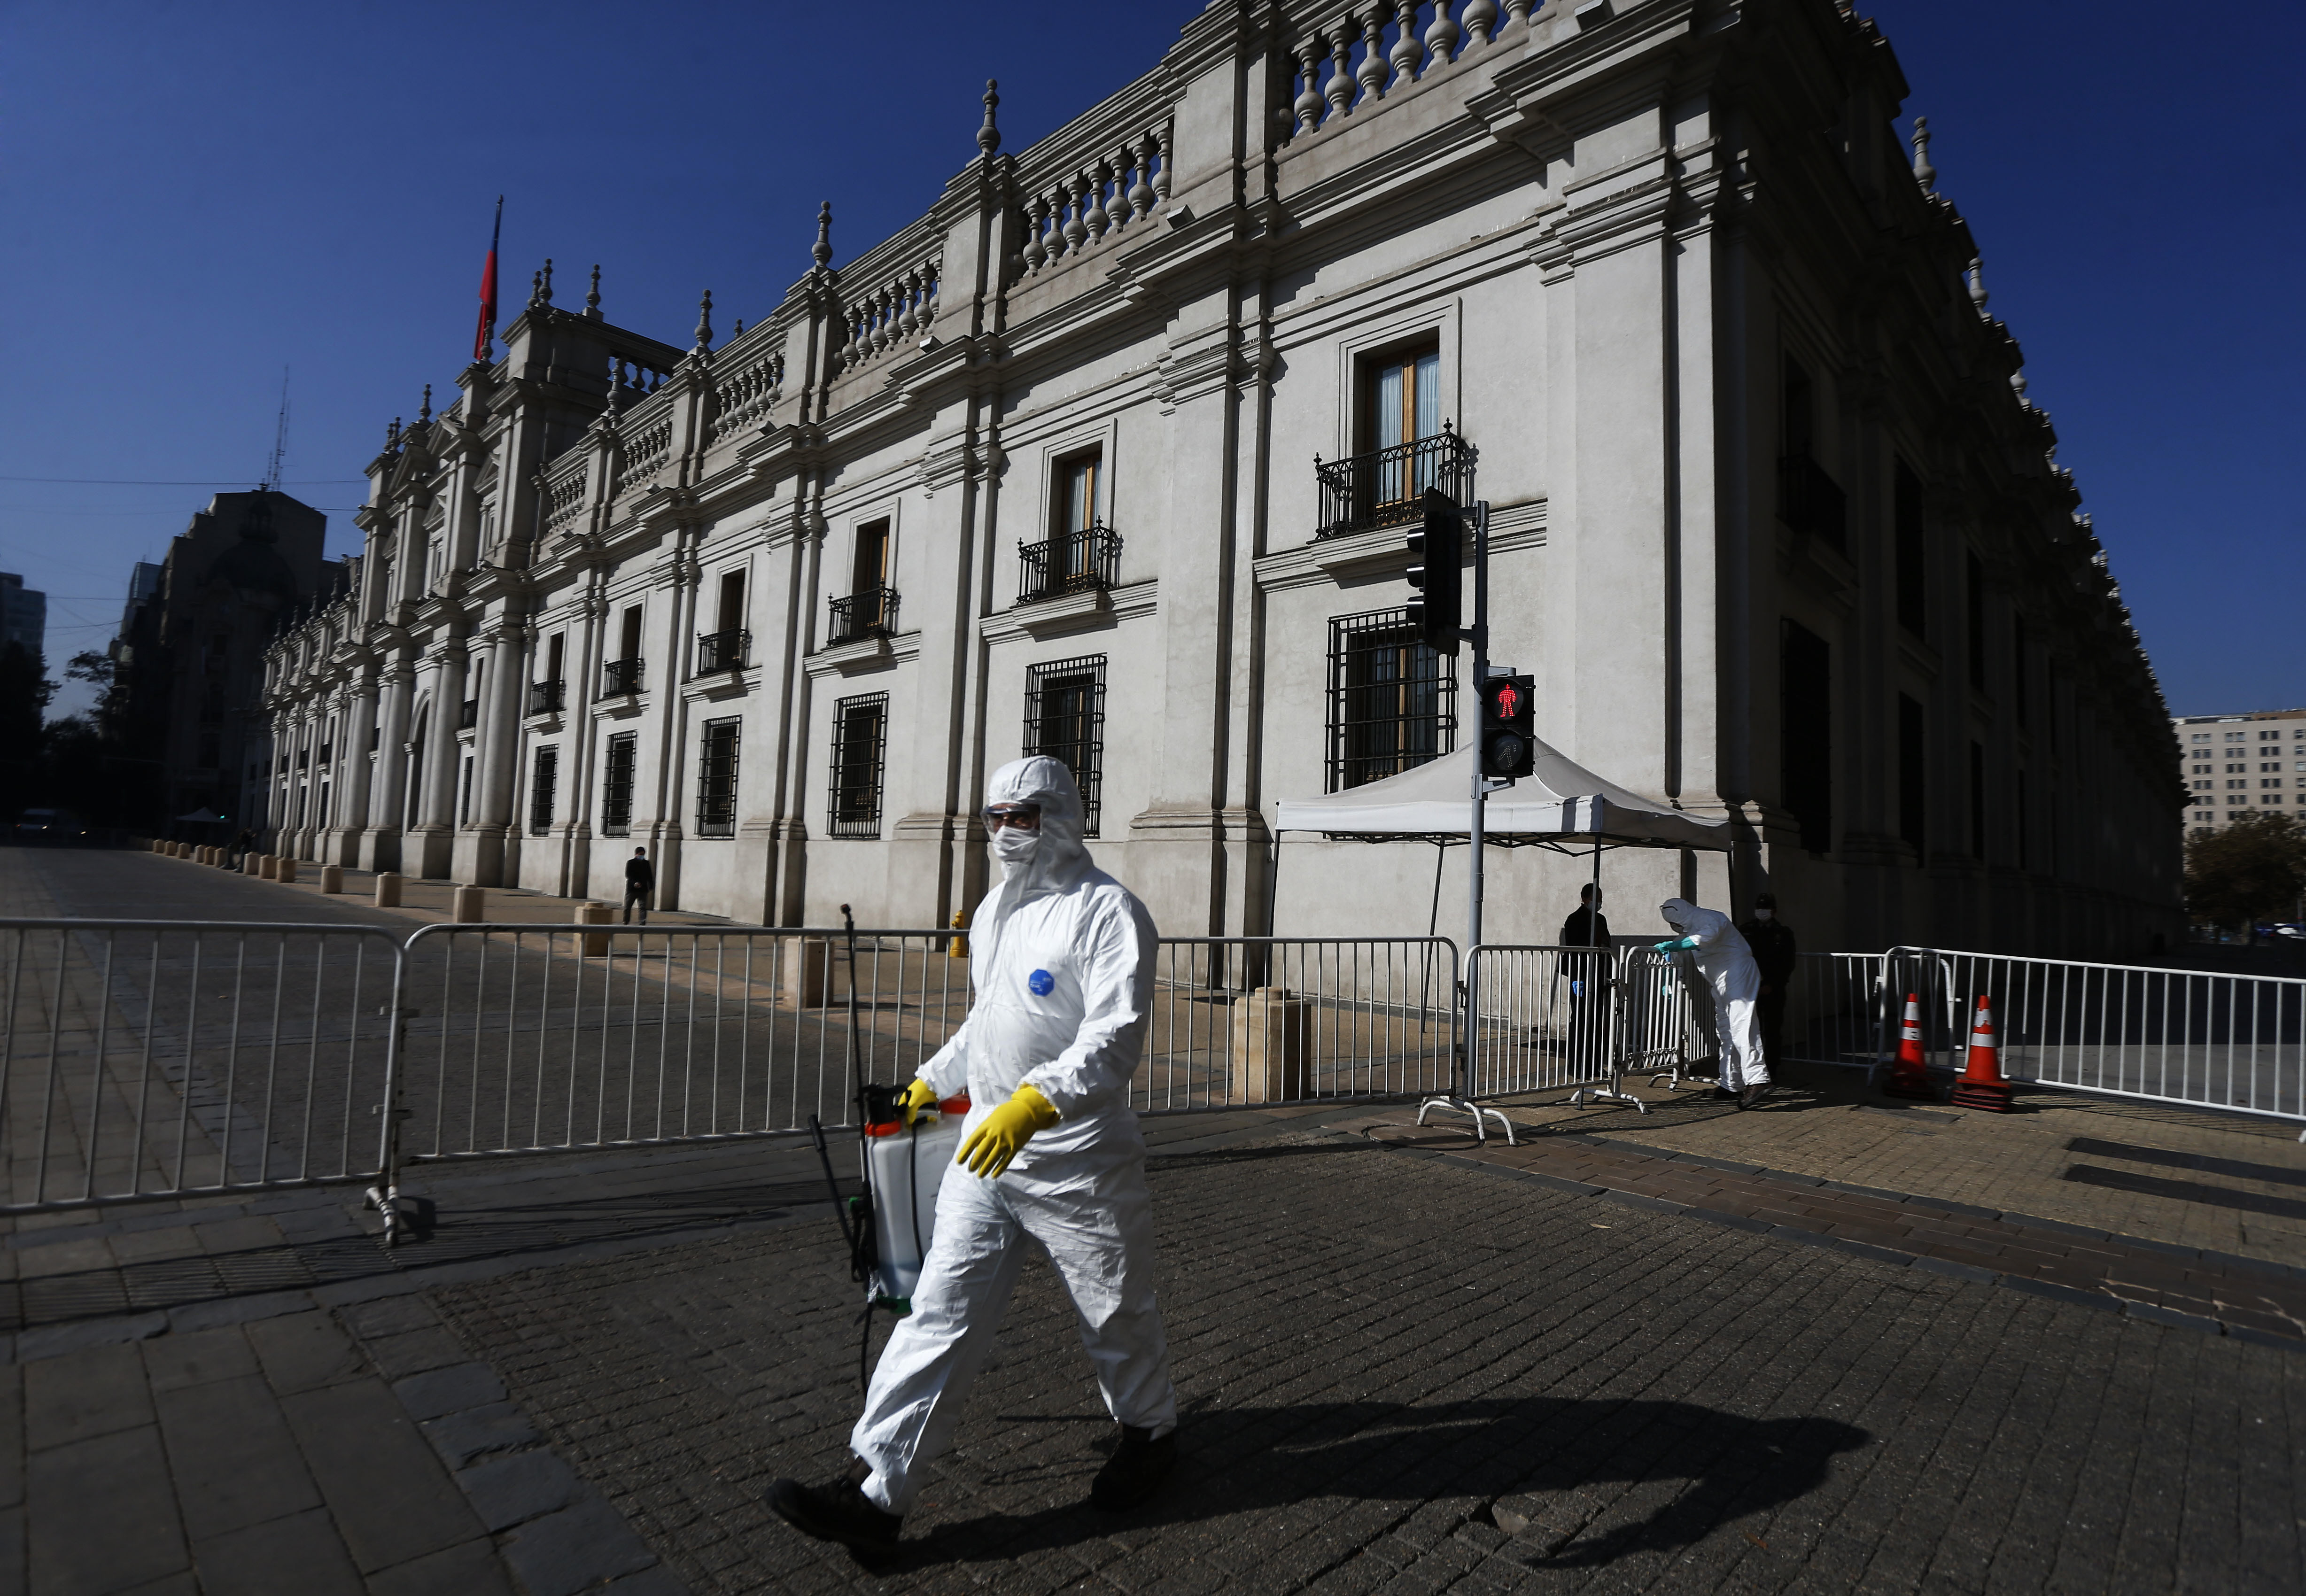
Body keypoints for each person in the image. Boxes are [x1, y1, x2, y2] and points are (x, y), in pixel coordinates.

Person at [767, 755, 1177, 1557]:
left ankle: (1151, 1433)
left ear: (1058, 814)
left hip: (1076, 1159)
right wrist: (927, 1085)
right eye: (993, 817)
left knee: (1115, 1311)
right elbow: (985, 1022)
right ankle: (876, 1490)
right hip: (985, 1153)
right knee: (937, 1315)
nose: (1003, 832)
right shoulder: (993, 912)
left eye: (1019, 816)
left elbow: (1114, 1034)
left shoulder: (1109, 913)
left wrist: (1037, 1100)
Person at [1653, 897, 1769, 1107]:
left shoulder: (1711, 918)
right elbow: (1681, 953)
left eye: (1674, 922)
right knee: (1726, 1031)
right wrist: (1668, 980)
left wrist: (1674, 946)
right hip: (1722, 982)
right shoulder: (1689, 929)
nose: (1673, 927)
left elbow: (1702, 940)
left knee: (1742, 1027)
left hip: (1738, 975)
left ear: (1681, 914)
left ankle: (1758, 1079)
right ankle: (1731, 1084)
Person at [1738, 892, 1797, 1073]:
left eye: (1766, 909)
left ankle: (1770, 1068)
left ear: (1774, 911)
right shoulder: (1746, 930)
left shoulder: (1783, 934)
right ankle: (1750, 1069)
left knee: (1771, 1030)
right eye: (1759, 909)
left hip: (1773, 989)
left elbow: (1787, 963)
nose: (1762, 912)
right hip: (1749, 988)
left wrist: (1772, 985)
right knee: (1747, 1030)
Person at [1556, 883, 1611, 1073]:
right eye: (1596, 899)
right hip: (1581, 975)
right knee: (1580, 1019)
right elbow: (1573, 950)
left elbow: (1606, 945)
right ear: (1585, 898)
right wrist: (1576, 978)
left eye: (1601, 899)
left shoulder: (1601, 919)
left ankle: (1594, 1064)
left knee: (1596, 1021)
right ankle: (1577, 1064)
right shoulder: (1575, 919)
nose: (1599, 903)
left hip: (1598, 974)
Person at [621, 847, 654, 924]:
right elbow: (628, 875)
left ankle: (642, 922)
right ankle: (626, 921)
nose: (642, 856)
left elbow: (650, 875)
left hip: (643, 889)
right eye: (641, 854)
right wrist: (635, 883)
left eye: (643, 854)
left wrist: (651, 885)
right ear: (636, 854)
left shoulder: (646, 863)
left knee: (642, 907)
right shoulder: (631, 863)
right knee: (627, 907)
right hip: (632, 889)